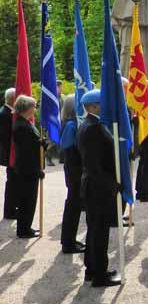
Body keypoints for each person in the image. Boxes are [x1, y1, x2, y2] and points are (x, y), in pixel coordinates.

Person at [78, 89, 121, 287]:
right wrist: (111, 184)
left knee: (95, 229)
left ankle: (93, 269)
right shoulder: (93, 127)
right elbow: (94, 165)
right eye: (102, 103)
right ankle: (99, 275)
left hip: (95, 186)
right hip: (97, 188)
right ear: (94, 106)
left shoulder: (92, 124)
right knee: (99, 231)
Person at [12, 95, 45, 239]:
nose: (35, 109)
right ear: (27, 108)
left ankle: (26, 226)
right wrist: (36, 170)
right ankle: (23, 230)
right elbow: (27, 152)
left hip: (29, 168)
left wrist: (41, 143)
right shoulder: (21, 126)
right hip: (27, 169)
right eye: (34, 106)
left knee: (29, 199)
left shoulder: (26, 123)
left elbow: (33, 144)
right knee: (27, 200)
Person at [59, 95, 85, 254]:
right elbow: (69, 147)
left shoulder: (72, 124)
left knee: (74, 207)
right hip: (74, 171)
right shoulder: (71, 125)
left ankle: (69, 240)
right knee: (72, 207)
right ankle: (68, 243)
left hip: (74, 170)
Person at [1, 88, 17, 220]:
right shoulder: (5, 114)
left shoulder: (7, 112)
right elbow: (7, 138)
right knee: (12, 183)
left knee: (12, 183)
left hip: (10, 154)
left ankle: (11, 209)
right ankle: (9, 211)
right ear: (13, 99)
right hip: (9, 154)